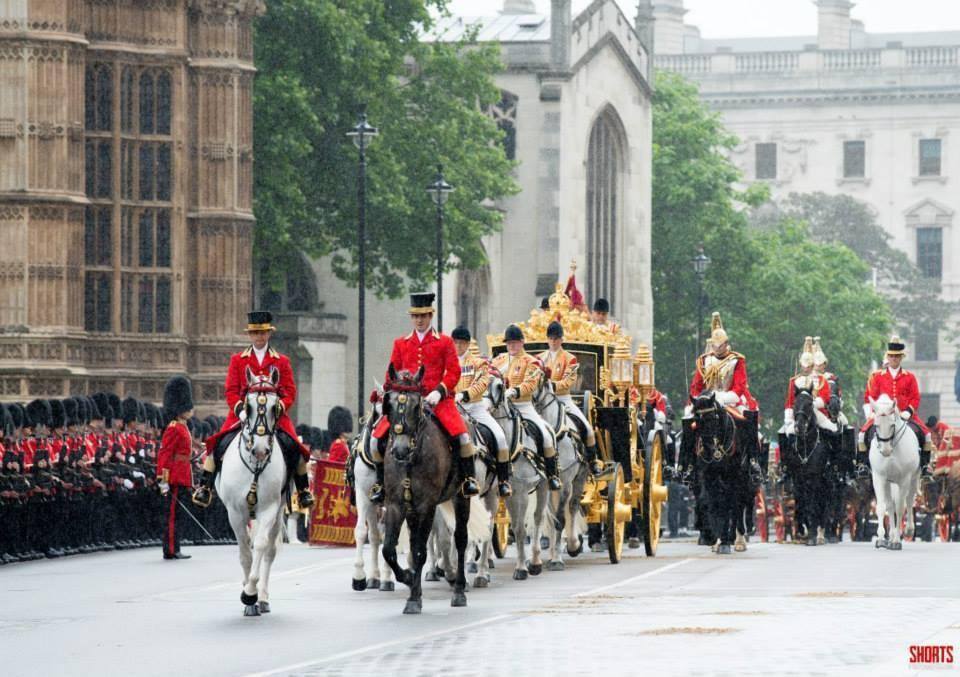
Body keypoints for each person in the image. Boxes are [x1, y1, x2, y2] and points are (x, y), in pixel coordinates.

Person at [193, 311, 315, 509]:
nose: (259, 336)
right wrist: (241, 410)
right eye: (256, 333)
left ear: (269, 334)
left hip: (274, 416)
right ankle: (205, 487)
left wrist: (279, 407)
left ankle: (303, 491)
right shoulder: (238, 360)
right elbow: (231, 390)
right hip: (241, 415)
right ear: (250, 335)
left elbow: (290, 391)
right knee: (217, 446)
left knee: (295, 448)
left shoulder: (281, 361)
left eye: (263, 332)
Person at [368, 292, 479, 503]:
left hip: (439, 402)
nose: (419, 320)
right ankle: (380, 484)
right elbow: (391, 374)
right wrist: (388, 392)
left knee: (463, 438)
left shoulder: (445, 342)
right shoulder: (401, 343)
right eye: (416, 316)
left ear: (431, 316)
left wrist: (440, 390)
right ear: (412, 317)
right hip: (407, 404)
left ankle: (467, 480)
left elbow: (454, 372)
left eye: (424, 316)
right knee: (375, 440)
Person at [492, 324, 562, 491]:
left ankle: (552, 474)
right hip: (500, 406)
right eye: (509, 343)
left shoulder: (532, 362)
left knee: (546, 434)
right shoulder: (498, 360)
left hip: (523, 405)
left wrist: (514, 391)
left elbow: (530, 383)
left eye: (515, 343)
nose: (511, 346)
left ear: (522, 342)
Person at [451, 326, 512, 497]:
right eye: (456, 343)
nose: (459, 346)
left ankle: (503, 481)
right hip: (452, 409)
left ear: (468, 344)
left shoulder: (479, 363)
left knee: (500, 437)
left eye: (462, 343)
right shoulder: (447, 363)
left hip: (475, 408)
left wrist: (465, 394)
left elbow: (482, 383)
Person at [538, 321, 603, 476]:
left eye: (556, 338)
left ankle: (592, 461)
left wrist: (552, 386)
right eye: (551, 338)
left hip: (563, 399)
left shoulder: (570, 358)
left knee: (587, 427)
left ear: (561, 339)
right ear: (547, 339)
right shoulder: (539, 359)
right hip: (542, 401)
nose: (553, 341)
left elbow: (568, 380)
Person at [860, 336, 932, 471]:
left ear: (901, 358)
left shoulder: (909, 376)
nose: (894, 359)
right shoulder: (878, 377)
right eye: (891, 356)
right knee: (861, 435)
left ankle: (924, 466)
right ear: (888, 357)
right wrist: (871, 413)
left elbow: (915, 397)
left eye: (897, 356)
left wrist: (908, 412)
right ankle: (863, 465)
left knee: (926, 435)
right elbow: (871, 397)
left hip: (906, 414)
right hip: (882, 415)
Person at [157, 376, 194, 560]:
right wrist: (163, 480)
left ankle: (175, 546)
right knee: (171, 515)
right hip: (173, 476)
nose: (190, 410)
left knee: (177, 515)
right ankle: (171, 549)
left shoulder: (183, 427)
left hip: (182, 473)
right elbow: (165, 454)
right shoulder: (173, 428)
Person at [782, 337, 834, 436]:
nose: (806, 369)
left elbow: (825, 398)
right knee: (785, 433)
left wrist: (811, 404)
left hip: (817, 412)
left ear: (812, 365)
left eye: (808, 366)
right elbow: (790, 400)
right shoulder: (794, 381)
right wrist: (788, 417)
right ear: (801, 365)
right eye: (804, 366)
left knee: (832, 429)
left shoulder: (821, 379)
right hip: (798, 413)